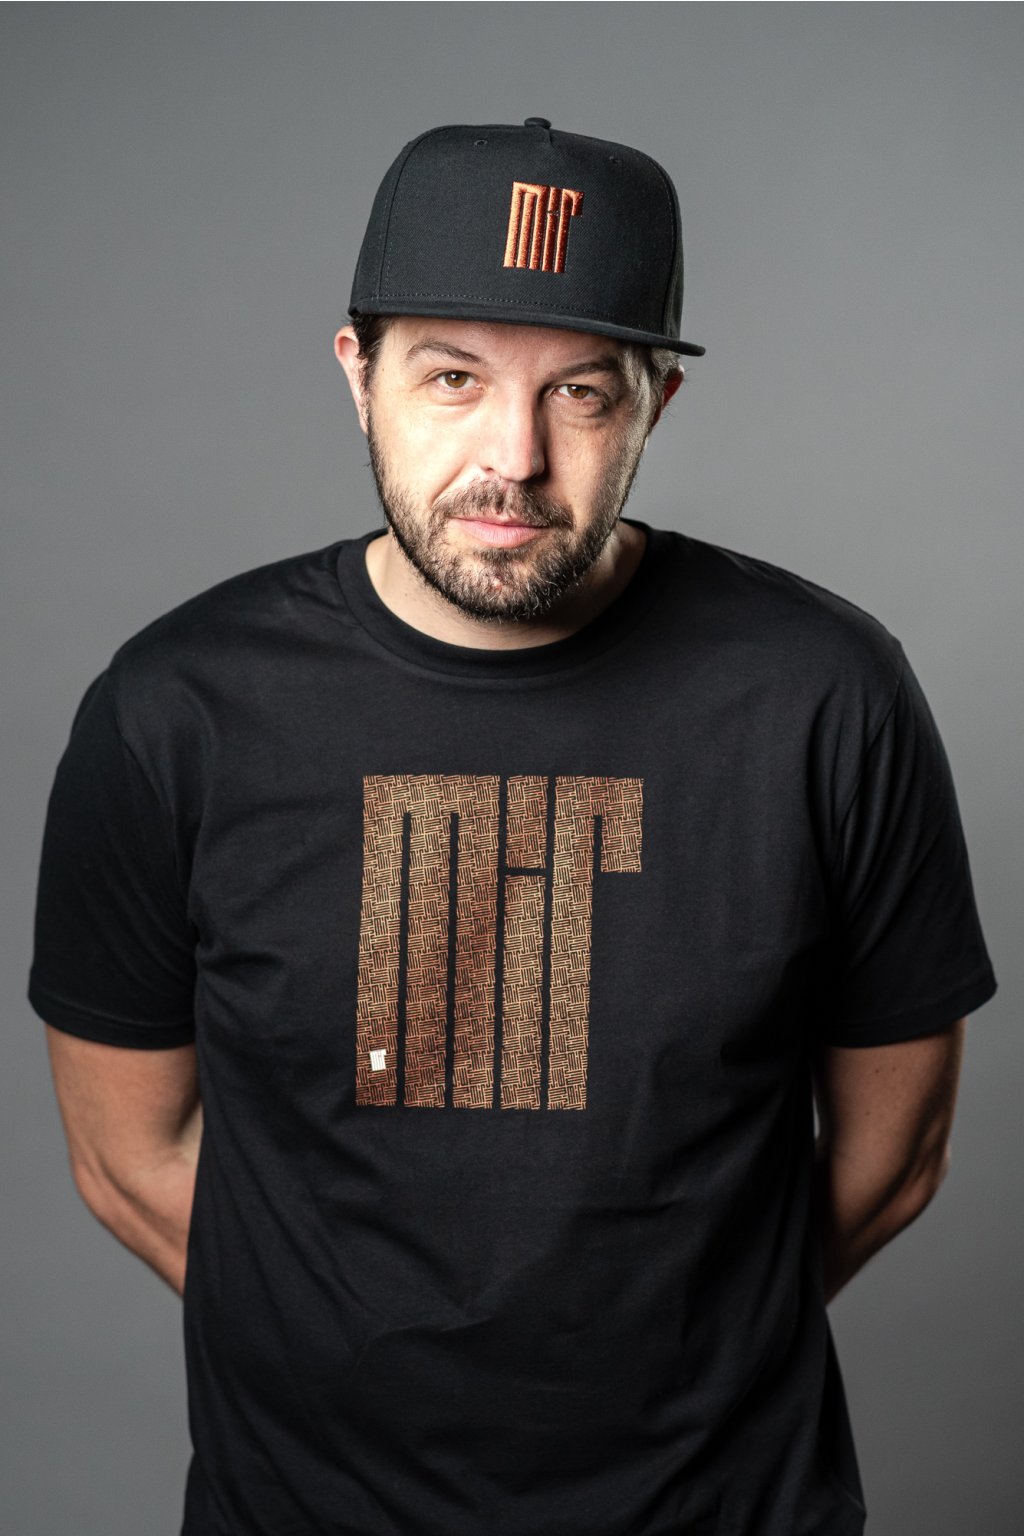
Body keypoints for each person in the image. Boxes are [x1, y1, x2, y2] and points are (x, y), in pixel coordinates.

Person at [30, 118, 997, 1536]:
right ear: (357, 376)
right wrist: (354, 1363)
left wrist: (670, 1366)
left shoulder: (823, 694)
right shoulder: (175, 710)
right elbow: (129, 1159)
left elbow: (893, 1155)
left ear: (657, 405)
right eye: (453, 377)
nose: (515, 456)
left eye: (581, 393)